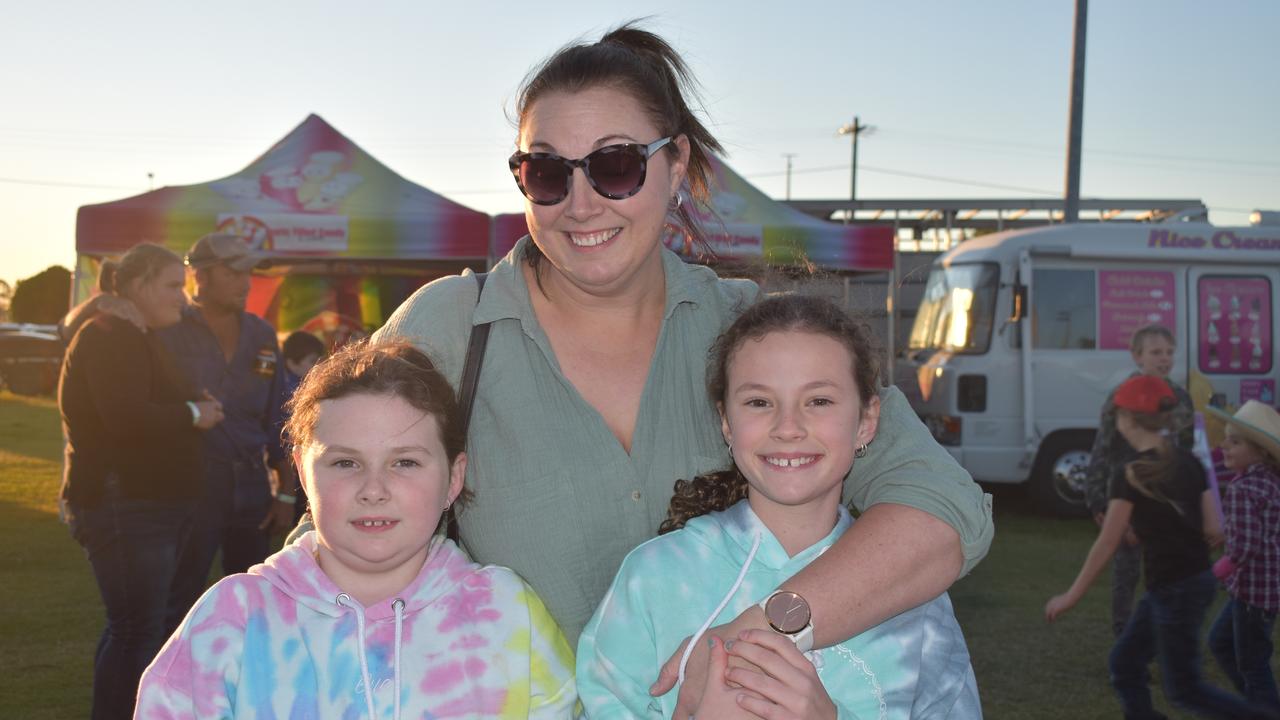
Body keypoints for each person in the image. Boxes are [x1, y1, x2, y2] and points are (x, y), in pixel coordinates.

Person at [371, 23, 992, 713]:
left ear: (676, 166)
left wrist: (755, 638)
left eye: (615, 166)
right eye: (546, 172)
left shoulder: (757, 337)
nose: (580, 205)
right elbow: (335, 534)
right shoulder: (452, 329)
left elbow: (944, 510)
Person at [577, 294, 981, 719]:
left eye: (819, 401)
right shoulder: (654, 578)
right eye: (759, 402)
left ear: (866, 420)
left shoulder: (909, 593)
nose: (788, 428)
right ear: (726, 421)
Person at [136, 341, 577, 719]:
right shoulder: (233, 618)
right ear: (305, 477)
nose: (374, 489)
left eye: (405, 462)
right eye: (345, 463)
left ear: (453, 478)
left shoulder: (504, 609)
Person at [58, 243, 224, 720]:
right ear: (137, 285)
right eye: (173, 285)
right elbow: (124, 416)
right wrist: (195, 413)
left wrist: (195, 402)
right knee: (135, 631)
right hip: (127, 504)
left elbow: (150, 395)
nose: (185, 296)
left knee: (137, 629)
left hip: (143, 504)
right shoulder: (110, 334)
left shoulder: (133, 333)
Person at [1045, 375, 1260, 719]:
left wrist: (1069, 597)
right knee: (1125, 665)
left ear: (1127, 419)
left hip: (1175, 589)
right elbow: (1213, 528)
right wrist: (1159, 526)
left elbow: (1107, 542)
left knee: (1185, 689)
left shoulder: (1129, 473)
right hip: (1189, 583)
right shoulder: (1189, 462)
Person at [1084, 324, 1195, 637]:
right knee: (1126, 574)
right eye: (1156, 352)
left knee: (1166, 572)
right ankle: (1125, 638)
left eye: (1169, 352)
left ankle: (1164, 636)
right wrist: (1098, 501)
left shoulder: (1181, 398)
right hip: (1125, 500)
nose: (1164, 359)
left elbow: (1185, 455)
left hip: (1165, 503)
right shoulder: (1121, 398)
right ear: (1137, 356)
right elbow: (1102, 450)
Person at [1207, 400, 1280, 711]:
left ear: (1259, 451)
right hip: (1265, 590)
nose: (1224, 446)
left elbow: (1245, 548)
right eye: (1225, 438)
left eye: (1234, 442)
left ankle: (1263, 709)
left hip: (1252, 593)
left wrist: (1215, 572)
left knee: (1252, 664)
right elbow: (1262, 531)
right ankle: (1257, 705)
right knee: (1221, 643)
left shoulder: (1242, 488)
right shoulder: (1270, 482)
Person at [279, 329, 326, 520]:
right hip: (295, 460)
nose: (318, 367)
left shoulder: (301, 386)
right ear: (292, 363)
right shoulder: (293, 392)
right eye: (311, 361)